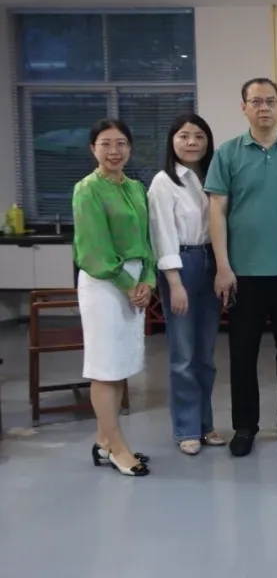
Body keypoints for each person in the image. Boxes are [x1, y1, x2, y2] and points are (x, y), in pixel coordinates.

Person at [205, 78, 277, 457]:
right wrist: (223, 266)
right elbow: (217, 211)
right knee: (243, 353)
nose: (263, 107)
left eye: (270, 101)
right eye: (256, 102)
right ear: (244, 108)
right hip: (244, 273)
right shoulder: (228, 153)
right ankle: (245, 426)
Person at [74, 118, 155, 477]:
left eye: (120, 143)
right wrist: (127, 283)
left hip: (135, 282)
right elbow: (93, 250)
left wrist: (148, 279)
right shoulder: (87, 189)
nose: (114, 151)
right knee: (105, 367)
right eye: (105, 143)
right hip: (104, 284)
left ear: (130, 149)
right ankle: (118, 447)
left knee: (120, 365)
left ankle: (103, 441)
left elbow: (148, 241)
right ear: (93, 148)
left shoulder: (136, 188)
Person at [148, 113, 226, 456]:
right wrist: (174, 282)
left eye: (199, 136)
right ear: (172, 141)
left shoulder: (212, 177)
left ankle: (205, 425)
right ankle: (186, 429)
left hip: (212, 263)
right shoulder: (163, 182)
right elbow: (162, 233)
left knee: (205, 355)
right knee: (183, 355)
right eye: (184, 136)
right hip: (182, 265)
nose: (192, 142)